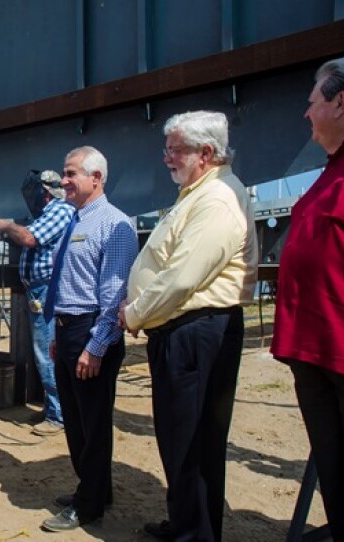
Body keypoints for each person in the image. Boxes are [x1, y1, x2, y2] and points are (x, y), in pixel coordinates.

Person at [119, 111, 258, 541]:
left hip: (198, 333)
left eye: (175, 150)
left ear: (207, 153)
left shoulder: (216, 200)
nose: (167, 158)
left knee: (193, 444)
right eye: (168, 149)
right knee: (182, 440)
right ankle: (186, 523)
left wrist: (135, 313)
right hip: (185, 332)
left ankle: (194, 534)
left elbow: (181, 278)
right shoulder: (197, 194)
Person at [40, 146, 138, 532]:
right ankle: (95, 488)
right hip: (67, 331)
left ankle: (90, 505)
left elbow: (114, 294)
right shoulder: (76, 221)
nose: (63, 181)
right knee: (77, 423)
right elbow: (67, 283)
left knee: (93, 424)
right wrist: (56, 335)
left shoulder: (114, 224)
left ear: (96, 178)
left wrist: (95, 347)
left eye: (70, 174)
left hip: (91, 331)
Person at [271, 57, 344, 542]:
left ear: (341, 103)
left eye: (312, 102)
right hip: (313, 352)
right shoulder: (329, 173)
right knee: (334, 465)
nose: (305, 114)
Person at [0, 170, 73, 435]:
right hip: (38, 290)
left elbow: (29, 238)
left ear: (45, 193)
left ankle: (58, 415)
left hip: (47, 290)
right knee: (44, 350)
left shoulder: (59, 211)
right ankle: (54, 410)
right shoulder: (48, 214)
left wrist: (7, 226)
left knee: (45, 351)